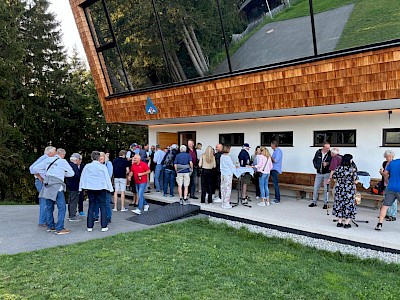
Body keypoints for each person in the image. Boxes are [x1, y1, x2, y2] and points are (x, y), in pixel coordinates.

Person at [33, 148, 74, 235]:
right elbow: (71, 173)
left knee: (49, 207)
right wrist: (62, 173)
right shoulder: (62, 161)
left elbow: (35, 168)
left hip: (47, 184)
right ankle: (59, 228)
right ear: (62, 155)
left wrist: (45, 174)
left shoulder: (47, 160)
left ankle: (51, 226)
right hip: (57, 185)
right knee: (62, 207)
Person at [79, 151, 114, 232]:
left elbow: (83, 177)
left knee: (91, 206)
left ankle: (89, 226)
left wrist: (81, 188)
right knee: (103, 207)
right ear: (99, 158)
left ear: (91, 157)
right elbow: (107, 178)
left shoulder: (87, 166)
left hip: (91, 188)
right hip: (101, 188)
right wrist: (110, 189)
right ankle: (104, 226)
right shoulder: (102, 167)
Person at [29, 146, 56, 227]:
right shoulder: (44, 158)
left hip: (44, 182)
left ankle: (46, 220)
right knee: (44, 201)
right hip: (41, 182)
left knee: (47, 201)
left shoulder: (47, 158)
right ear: (50, 152)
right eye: (54, 152)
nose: (55, 154)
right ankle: (43, 221)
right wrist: (40, 177)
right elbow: (32, 168)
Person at [331, 154, 359, 228]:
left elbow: (334, 179)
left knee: (340, 205)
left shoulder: (338, 168)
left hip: (339, 189)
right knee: (348, 205)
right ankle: (346, 224)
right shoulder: (352, 170)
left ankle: (339, 222)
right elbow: (356, 181)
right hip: (349, 190)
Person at [375, 155, 400, 230]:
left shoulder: (392, 163)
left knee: (385, 206)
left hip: (391, 187)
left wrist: (387, 181)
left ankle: (379, 224)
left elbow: (385, 173)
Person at [309, 142, 331, 208]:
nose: (328, 149)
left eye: (329, 148)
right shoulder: (318, 152)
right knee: (315, 188)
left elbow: (333, 162)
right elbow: (314, 160)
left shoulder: (330, 153)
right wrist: (316, 167)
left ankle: (325, 203)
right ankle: (314, 202)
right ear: (323, 147)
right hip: (319, 173)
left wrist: (327, 163)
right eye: (327, 148)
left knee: (326, 189)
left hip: (327, 173)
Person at [66, 153, 83, 222]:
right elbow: (77, 175)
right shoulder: (74, 166)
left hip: (69, 185)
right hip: (74, 185)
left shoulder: (68, 165)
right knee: (74, 200)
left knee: (70, 199)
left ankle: (70, 214)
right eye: (80, 159)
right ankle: (72, 215)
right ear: (77, 159)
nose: (80, 161)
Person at [380, 150, 396, 221]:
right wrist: (382, 173)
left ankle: (392, 215)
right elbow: (384, 173)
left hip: (392, 184)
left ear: (393, 157)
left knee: (393, 200)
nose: (388, 158)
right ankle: (387, 214)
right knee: (386, 199)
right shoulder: (385, 163)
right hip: (385, 183)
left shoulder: (395, 164)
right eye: (387, 157)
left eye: (390, 157)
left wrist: (384, 173)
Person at [220, 144, 238, 209]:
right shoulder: (228, 157)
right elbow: (231, 166)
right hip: (228, 174)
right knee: (227, 189)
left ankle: (223, 202)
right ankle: (226, 203)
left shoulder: (222, 156)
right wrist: (235, 169)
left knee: (222, 188)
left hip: (223, 174)